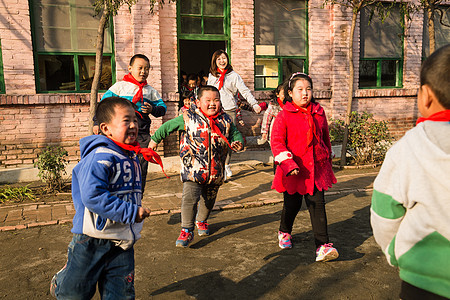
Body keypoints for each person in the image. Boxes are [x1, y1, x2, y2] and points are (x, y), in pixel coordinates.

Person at [50, 97, 152, 299]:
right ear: (106, 128)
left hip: (122, 241)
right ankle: (61, 281)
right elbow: (93, 196)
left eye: (135, 119)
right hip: (91, 239)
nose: (134, 125)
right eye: (126, 120)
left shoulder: (131, 156)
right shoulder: (100, 156)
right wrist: (132, 212)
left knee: (121, 293)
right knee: (75, 293)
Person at [370, 44, 450, 300]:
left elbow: (385, 215)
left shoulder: (408, 148)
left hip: (424, 283)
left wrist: (397, 252)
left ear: (425, 96)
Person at [149, 85, 244, 248]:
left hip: (216, 171)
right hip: (193, 169)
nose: (212, 104)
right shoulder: (188, 118)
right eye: (208, 100)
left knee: (209, 199)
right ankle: (187, 229)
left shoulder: (226, 120)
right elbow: (166, 127)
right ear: (198, 102)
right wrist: (154, 141)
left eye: (216, 100)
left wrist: (239, 143)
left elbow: (236, 134)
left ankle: (202, 220)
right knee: (189, 198)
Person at [271, 72, 338, 262]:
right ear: (290, 93)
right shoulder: (284, 116)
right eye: (299, 89)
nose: (305, 93)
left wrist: (327, 159)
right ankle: (284, 231)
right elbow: (277, 143)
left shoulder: (319, 112)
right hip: (294, 171)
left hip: (315, 171)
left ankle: (322, 246)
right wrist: (287, 164)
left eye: (308, 89)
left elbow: (325, 138)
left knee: (318, 206)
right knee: (292, 205)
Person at [95, 54, 167, 192]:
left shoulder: (150, 91)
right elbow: (103, 105)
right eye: (140, 68)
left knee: (140, 167)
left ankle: (138, 195)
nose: (143, 72)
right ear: (130, 68)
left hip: (142, 135)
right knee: (120, 164)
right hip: (121, 134)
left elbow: (162, 108)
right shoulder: (119, 87)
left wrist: (153, 109)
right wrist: (96, 122)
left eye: (147, 69)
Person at [207, 50, 261, 179]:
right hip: (215, 111)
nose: (222, 61)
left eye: (224, 58)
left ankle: (226, 165)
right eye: (219, 59)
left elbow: (244, 91)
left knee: (228, 138)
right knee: (215, 138)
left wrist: (254, 104)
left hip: (229, 110)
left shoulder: (233, 76)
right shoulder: (212, 76)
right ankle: (216, 165)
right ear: (215, 61)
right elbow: (208, 93)